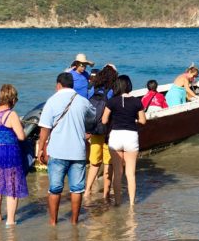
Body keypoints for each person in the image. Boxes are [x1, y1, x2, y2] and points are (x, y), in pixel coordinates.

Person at [36, 72, 95, 225]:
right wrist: (88, 133)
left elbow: (44, 129)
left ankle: (53, 222)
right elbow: (94, 117)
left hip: (57, 152)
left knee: (55, 189)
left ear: (58, 85)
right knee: (76, 189)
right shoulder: (82, 101)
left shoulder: (51, 101)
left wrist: (40, 150)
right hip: (78, 151)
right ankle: (74, 222)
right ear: (73, 85)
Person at [0, 84, 28, 226]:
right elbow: (21, 136)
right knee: (12, 185)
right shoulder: (11, 114)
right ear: (12, 99)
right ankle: (10, 221)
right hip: (9, 152)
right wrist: (19, 125)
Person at [102, 74, 147, 207]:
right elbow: (143, 121)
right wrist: (133, 118)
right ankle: (132, 204)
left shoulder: (112, 101)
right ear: (129, 85)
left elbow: (104, 120)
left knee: (117, 172)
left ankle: (118, 202)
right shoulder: (137, 102)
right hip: (131, 136)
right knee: (130, 174)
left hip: (116, 136)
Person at [84, 65, 118, 201]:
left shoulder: (94, 88)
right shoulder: (112, 90)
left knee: (94, 163)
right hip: (108, 130)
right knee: (108, 163)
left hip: (95, 129)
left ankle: (87, 191)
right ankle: (106, 193)